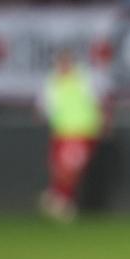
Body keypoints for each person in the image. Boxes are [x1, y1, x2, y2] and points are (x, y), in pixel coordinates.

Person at [38, 51, 107, 222]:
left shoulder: (84, 78)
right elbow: (45, 106)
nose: (62, 66)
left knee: (69, 168)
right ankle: (59, 197)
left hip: (82, 131)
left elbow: (98, 101)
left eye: (65, 62)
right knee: (58, 167)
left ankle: (62, 201)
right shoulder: (52, 81)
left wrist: (103, 121)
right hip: (61, 132)